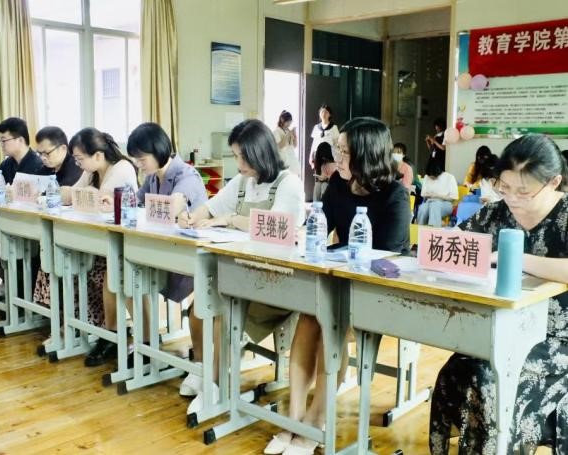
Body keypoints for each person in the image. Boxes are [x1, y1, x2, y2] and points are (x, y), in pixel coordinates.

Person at [264, 117, 410, 455]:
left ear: (366, 155)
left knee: (332, 325)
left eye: (345, 152)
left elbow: (388, 257)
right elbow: (320, 228)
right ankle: (295, 419)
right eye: (338, 150)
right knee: (309, 318)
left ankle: (317, 421)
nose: (337, 158)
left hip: (376, 293)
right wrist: (303, 236)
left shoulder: (395, 195)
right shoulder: (338, 185)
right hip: (338, 282)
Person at [429, 134, 568, 455]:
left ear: (554, 182)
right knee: (458, 370)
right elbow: (450, 245)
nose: (513, 199)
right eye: (505, 187)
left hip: (556, 340)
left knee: (489, 379)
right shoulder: (495, 214)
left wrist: (517, 259)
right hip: (497, 331)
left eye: (524, 191)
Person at [178, 119, 305, 413]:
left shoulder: (289, 184)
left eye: (243, 157)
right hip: (239, 276)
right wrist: (192, 216)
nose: (238, 164)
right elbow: (211, 207)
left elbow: (276, 227)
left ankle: (216, 386)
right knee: (198, 309)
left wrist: (231, 220)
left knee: (222, 315)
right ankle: (203, 368)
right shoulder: (242, 182)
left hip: (275, 282)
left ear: (260, 152)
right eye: (235, 156)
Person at [99, 122, 207, 364]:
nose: (139, 164)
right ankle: (143, 340)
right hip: (161, 250)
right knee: (120, 271)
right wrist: (113, 202)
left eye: (142, 159)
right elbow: (135, 202)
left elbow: (172, 206)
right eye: (135, 159)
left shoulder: (186, 175)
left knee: (129, 273)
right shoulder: (153, 177)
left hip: (189, 258)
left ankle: (148, 343)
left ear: (158, 150)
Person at [58, 127, 138, 366]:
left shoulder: (122, 168)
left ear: (98, 155)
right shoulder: (92, 170)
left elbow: (98, 199)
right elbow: (73, 194)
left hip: (125, 242)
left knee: (110, 276)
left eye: (80, 159)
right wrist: (81, 193)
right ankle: (107, 333)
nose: (77, 164)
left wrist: (83, 194)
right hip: (102, 239)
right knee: (75, 265)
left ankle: (118, 335)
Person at [0, 117, 44, 299]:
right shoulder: (8, 163)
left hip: (29, 225)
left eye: (4, 140)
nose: (1, 144)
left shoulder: (36, 164)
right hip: (9, 220)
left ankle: (16, 286)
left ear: (20, 140)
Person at [32, 127, 84, 316]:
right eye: (40, 153)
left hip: (73, 232)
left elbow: (63, 195)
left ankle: (64, 311)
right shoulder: (47, 168)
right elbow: (34, 187)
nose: (43, 158)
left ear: (63, 148)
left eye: (47, 153)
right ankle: (50, 309)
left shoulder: (75, 167)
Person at [416, 159, 458, 227]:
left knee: (434, 206)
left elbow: (453, 197)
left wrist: (437, 195)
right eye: (430, 176)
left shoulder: (450, 177)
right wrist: (430, 195)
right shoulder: (427, 177)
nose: (431, 178)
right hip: (430, 202)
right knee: (422, 208)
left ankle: (433, 230)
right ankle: (419, 229)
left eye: (434, 176)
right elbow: (423, 193)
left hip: (446, 204)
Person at [309, 104, 339, 169]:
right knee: (318, 172)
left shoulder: (334, 127)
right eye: (322, 112)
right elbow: (314, 143)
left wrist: (337, 158)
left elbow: (336, 143)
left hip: (329, 155)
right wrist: (310, 157)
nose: (324, 114)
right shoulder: (316, 127)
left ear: (329, 114)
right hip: (317, 155)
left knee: (328, 172)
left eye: (326, 112)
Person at [272, 110, 300, 176]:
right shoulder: (276, 131)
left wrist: (295, 135)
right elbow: (279, 146)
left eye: (290, 121)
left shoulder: (288, 130)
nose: (289, 124)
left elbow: (294, 146)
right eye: (288, 121)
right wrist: (288, 135)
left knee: (294, 178)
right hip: (283, 159)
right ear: (282, 120)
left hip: (292, 158)